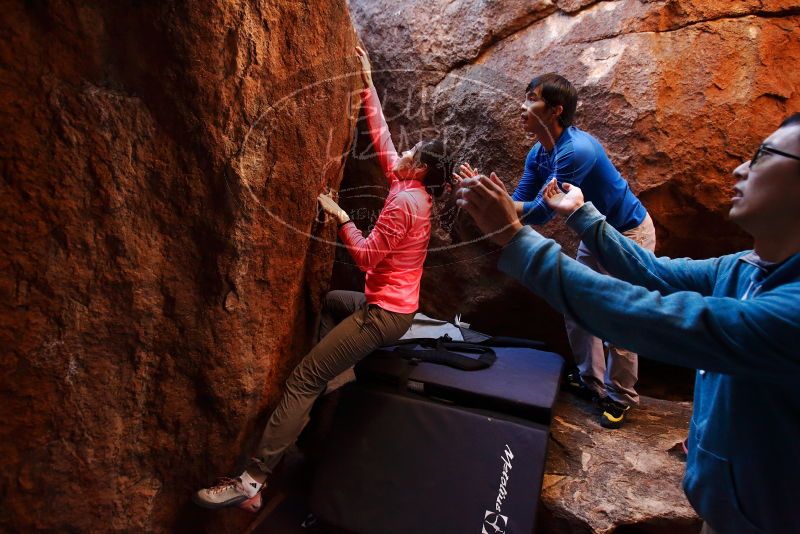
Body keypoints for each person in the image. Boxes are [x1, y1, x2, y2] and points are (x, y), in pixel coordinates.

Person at [455, 114, 800, 534]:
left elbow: (647, 317)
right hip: (724, 514)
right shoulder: (745, 268)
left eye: (762, 155)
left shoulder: (792, 311)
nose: (740, 168)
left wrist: (516, 240)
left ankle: (618, 395)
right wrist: (582, 214)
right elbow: (654, 272)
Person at [193, 46, 452, 511]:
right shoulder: (409, 185)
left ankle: (252, 482)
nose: (407, 150)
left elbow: (369, 258)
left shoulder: (405, 202)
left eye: (415, 152)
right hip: (393, 306)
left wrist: (340, 216)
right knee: (333, 301)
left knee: (302, 379)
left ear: (422, 169)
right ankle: (331, 382)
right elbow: (384, 142)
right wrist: (367, 85)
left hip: (384, 314)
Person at [458, 73, 654, 428]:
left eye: (531, 98)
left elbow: (544, 212)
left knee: (618, 316)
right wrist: (491, 196)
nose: (522, 107)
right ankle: (591, 381)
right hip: (593, 232)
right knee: (575, 304)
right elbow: (523, 202)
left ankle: (621, 395)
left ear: (555, 111)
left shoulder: (575, 151)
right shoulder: (539, 151)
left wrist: (497, 202)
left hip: (628, 234)